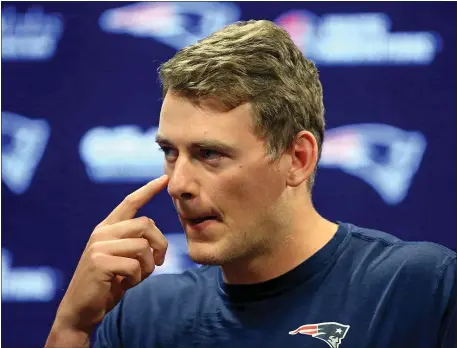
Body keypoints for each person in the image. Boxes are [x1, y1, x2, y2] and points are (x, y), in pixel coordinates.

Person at [45, 20, 456, 348]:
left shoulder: (421, 289)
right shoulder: (142, 317)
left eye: (209, 154)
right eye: (170, 153)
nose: (178, 184)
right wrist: (72, 330)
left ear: (298, 159)